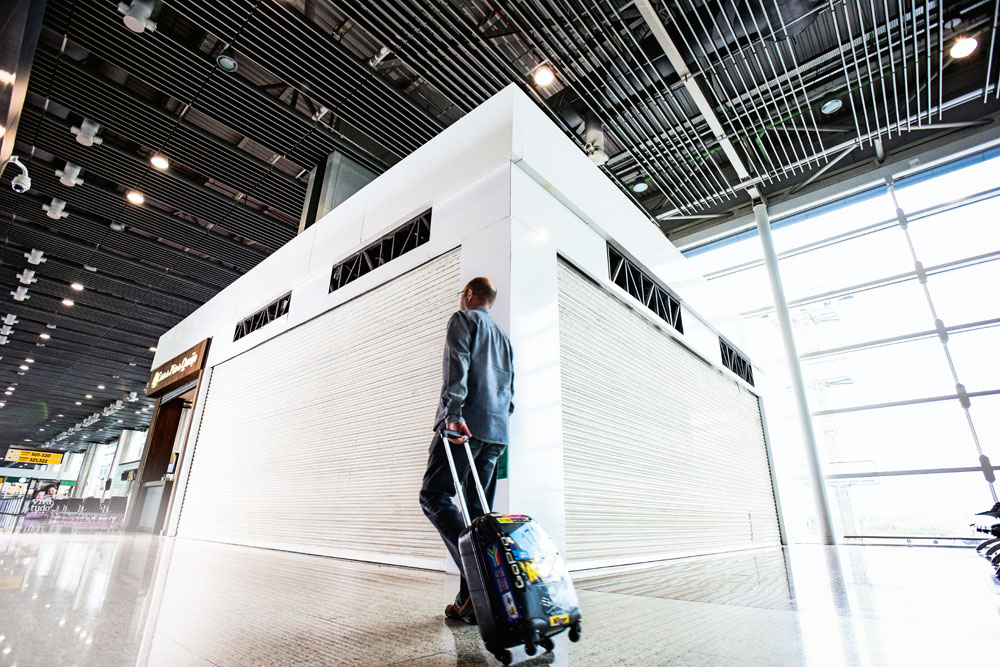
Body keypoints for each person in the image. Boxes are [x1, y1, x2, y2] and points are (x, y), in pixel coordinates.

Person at [419, 276, 515, 625]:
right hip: (496, 434)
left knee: (434, 496)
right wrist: (499, 431)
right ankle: (469, 602)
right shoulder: (505, 340)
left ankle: (479, 578)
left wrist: (453, 415)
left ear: (470, 294)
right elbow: (510, 394)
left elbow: (456, 367)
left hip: (464, 427)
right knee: (479, 515)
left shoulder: (463, 319)